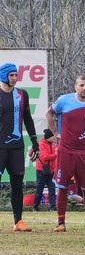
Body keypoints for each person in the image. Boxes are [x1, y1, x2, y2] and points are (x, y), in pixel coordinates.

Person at [46, 75, 85, 232]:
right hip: (66, 151)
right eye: (81, 85)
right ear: (75, 86)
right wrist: (56, 133)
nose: (84, 88)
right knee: (63, 187)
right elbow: (49, 114)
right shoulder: (65, 100)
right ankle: (61, 223)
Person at [0, 63, 39, 231]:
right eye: (11, 75)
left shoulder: (22, 94)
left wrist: (35, 142)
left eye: (16, 75)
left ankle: (18, 222)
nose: (15, 78)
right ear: (3, 76)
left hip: (16, 147)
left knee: (17, 184)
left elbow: (28, 119)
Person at [33, 129, 57, 212]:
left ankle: (53, 207)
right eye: (53, 137)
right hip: (42, 170)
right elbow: (44, 157)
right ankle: (35, 207)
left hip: (51, 170)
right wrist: (55, 155)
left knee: (52, 189)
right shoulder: (41, 144)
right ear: (48, 138)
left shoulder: (53, 144)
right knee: (39, 189)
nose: (54, 139)